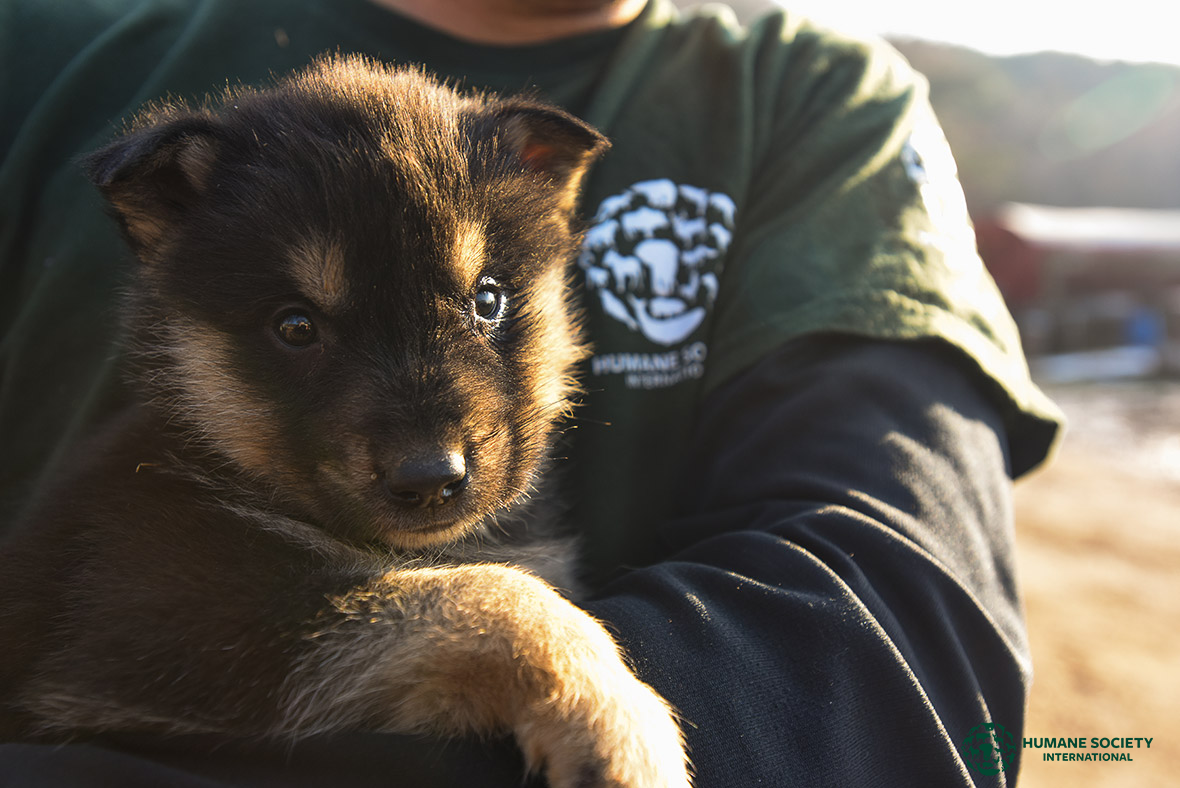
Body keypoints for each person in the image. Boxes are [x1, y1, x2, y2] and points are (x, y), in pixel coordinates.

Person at [0, 0, 1061, 785]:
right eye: (297, 330)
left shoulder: (808, 99)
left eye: (487, 307)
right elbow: (102, 677)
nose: (430, 447)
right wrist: (498, 636)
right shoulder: (43, 51)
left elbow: (899, 644)